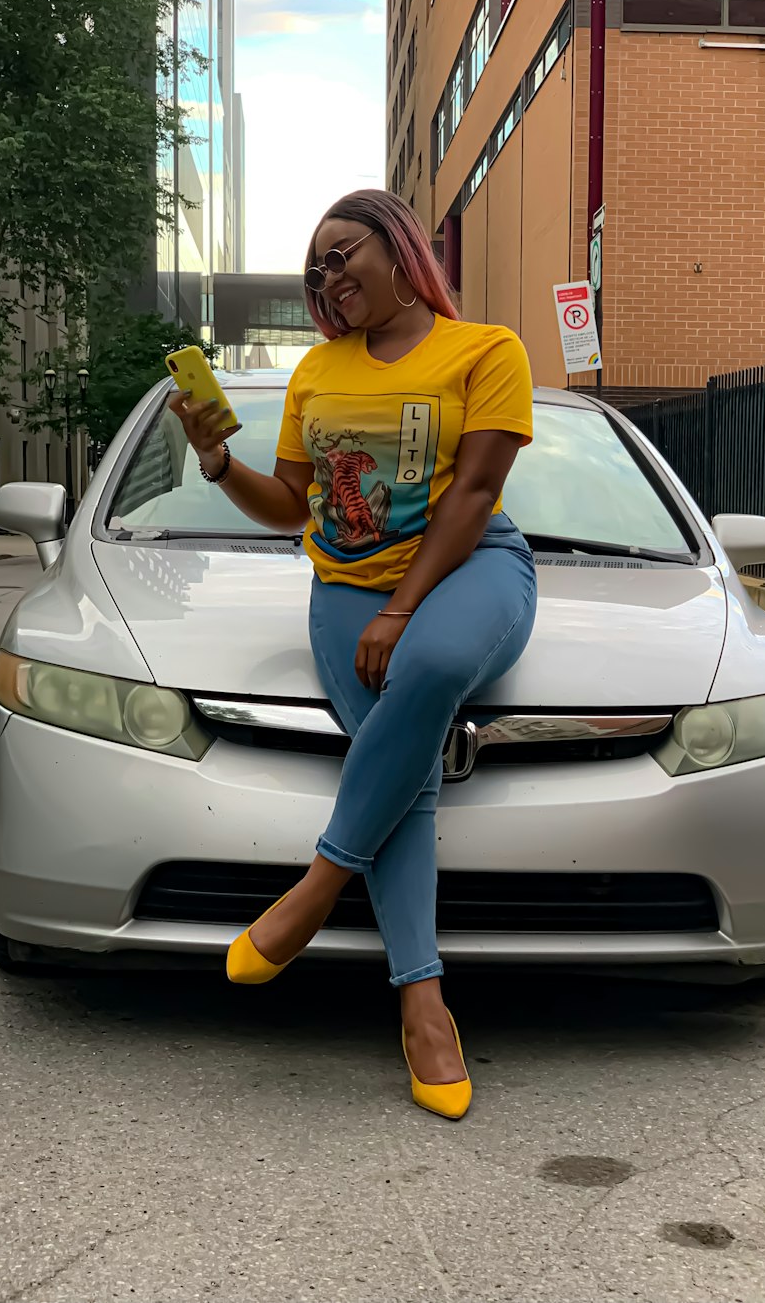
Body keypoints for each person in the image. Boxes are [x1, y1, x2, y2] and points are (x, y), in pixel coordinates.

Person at [169, 190, 536, 1120]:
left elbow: (478, 489)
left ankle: (314, 887)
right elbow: (292, 506)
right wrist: (217, 463)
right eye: (317, 269)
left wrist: (403, 606)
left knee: (430, 666)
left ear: (398, 243)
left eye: (344, 254)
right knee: (403, 764)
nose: (331, 277)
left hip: (469, 567)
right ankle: (424, 1007)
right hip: (343, 585)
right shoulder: (315, 373)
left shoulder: (488, 350)